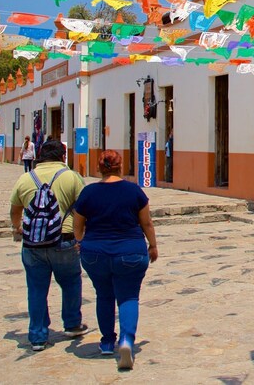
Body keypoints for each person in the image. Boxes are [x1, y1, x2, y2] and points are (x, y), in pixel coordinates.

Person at [72, 150, 158, 370]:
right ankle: (127, 340)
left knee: (104, 295)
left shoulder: (88, 193)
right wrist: (153, 245)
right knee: (129, 297)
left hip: (95, 253)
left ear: (100, 168)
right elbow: (146, 223)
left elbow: (78, 225)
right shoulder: (133, 191)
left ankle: (108, 341)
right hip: (130, 251)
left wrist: (82, 241)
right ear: (120, 166)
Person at [9, 140, 88, 351]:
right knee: (71, 283)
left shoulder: (25, 179)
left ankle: (37, 336)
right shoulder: (71, 177)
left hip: (33, 243)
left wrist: (17, 228)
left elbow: (15, 210)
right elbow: (84, 209)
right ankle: (72, 324)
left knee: (36, 289)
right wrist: (82, 236)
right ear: (63, 155)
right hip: (65, 239)